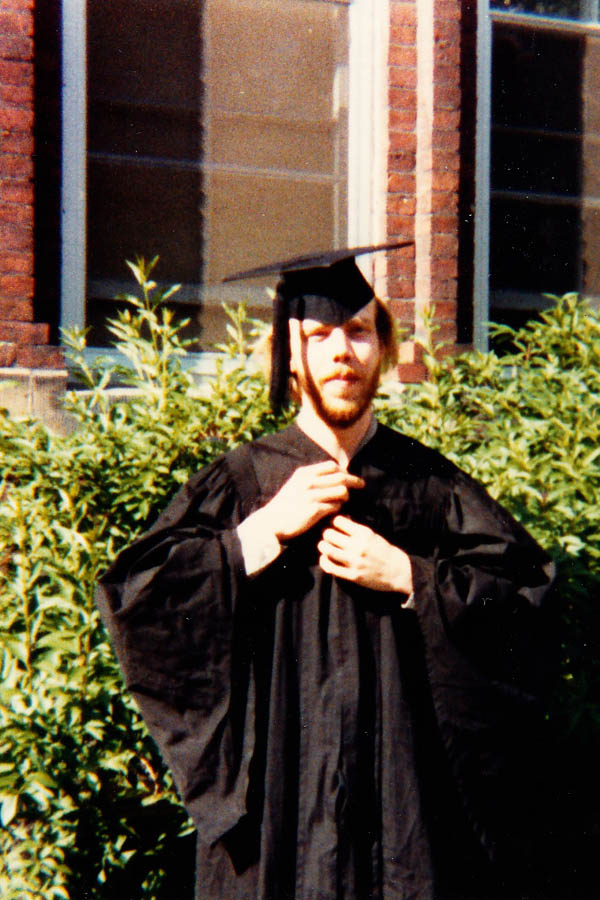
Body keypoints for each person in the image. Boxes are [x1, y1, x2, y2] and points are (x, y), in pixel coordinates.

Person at [96, 244, 557, 900]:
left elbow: (527, 603)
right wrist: (258, 535)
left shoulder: (430, 487)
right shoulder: (241, 483)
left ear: (384, 351)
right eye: (319, 336)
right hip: (275, 815)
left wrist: (412, 579)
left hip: (405, 816)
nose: (342, 351)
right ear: (291, 360)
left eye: (360, 331)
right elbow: (139, 600)